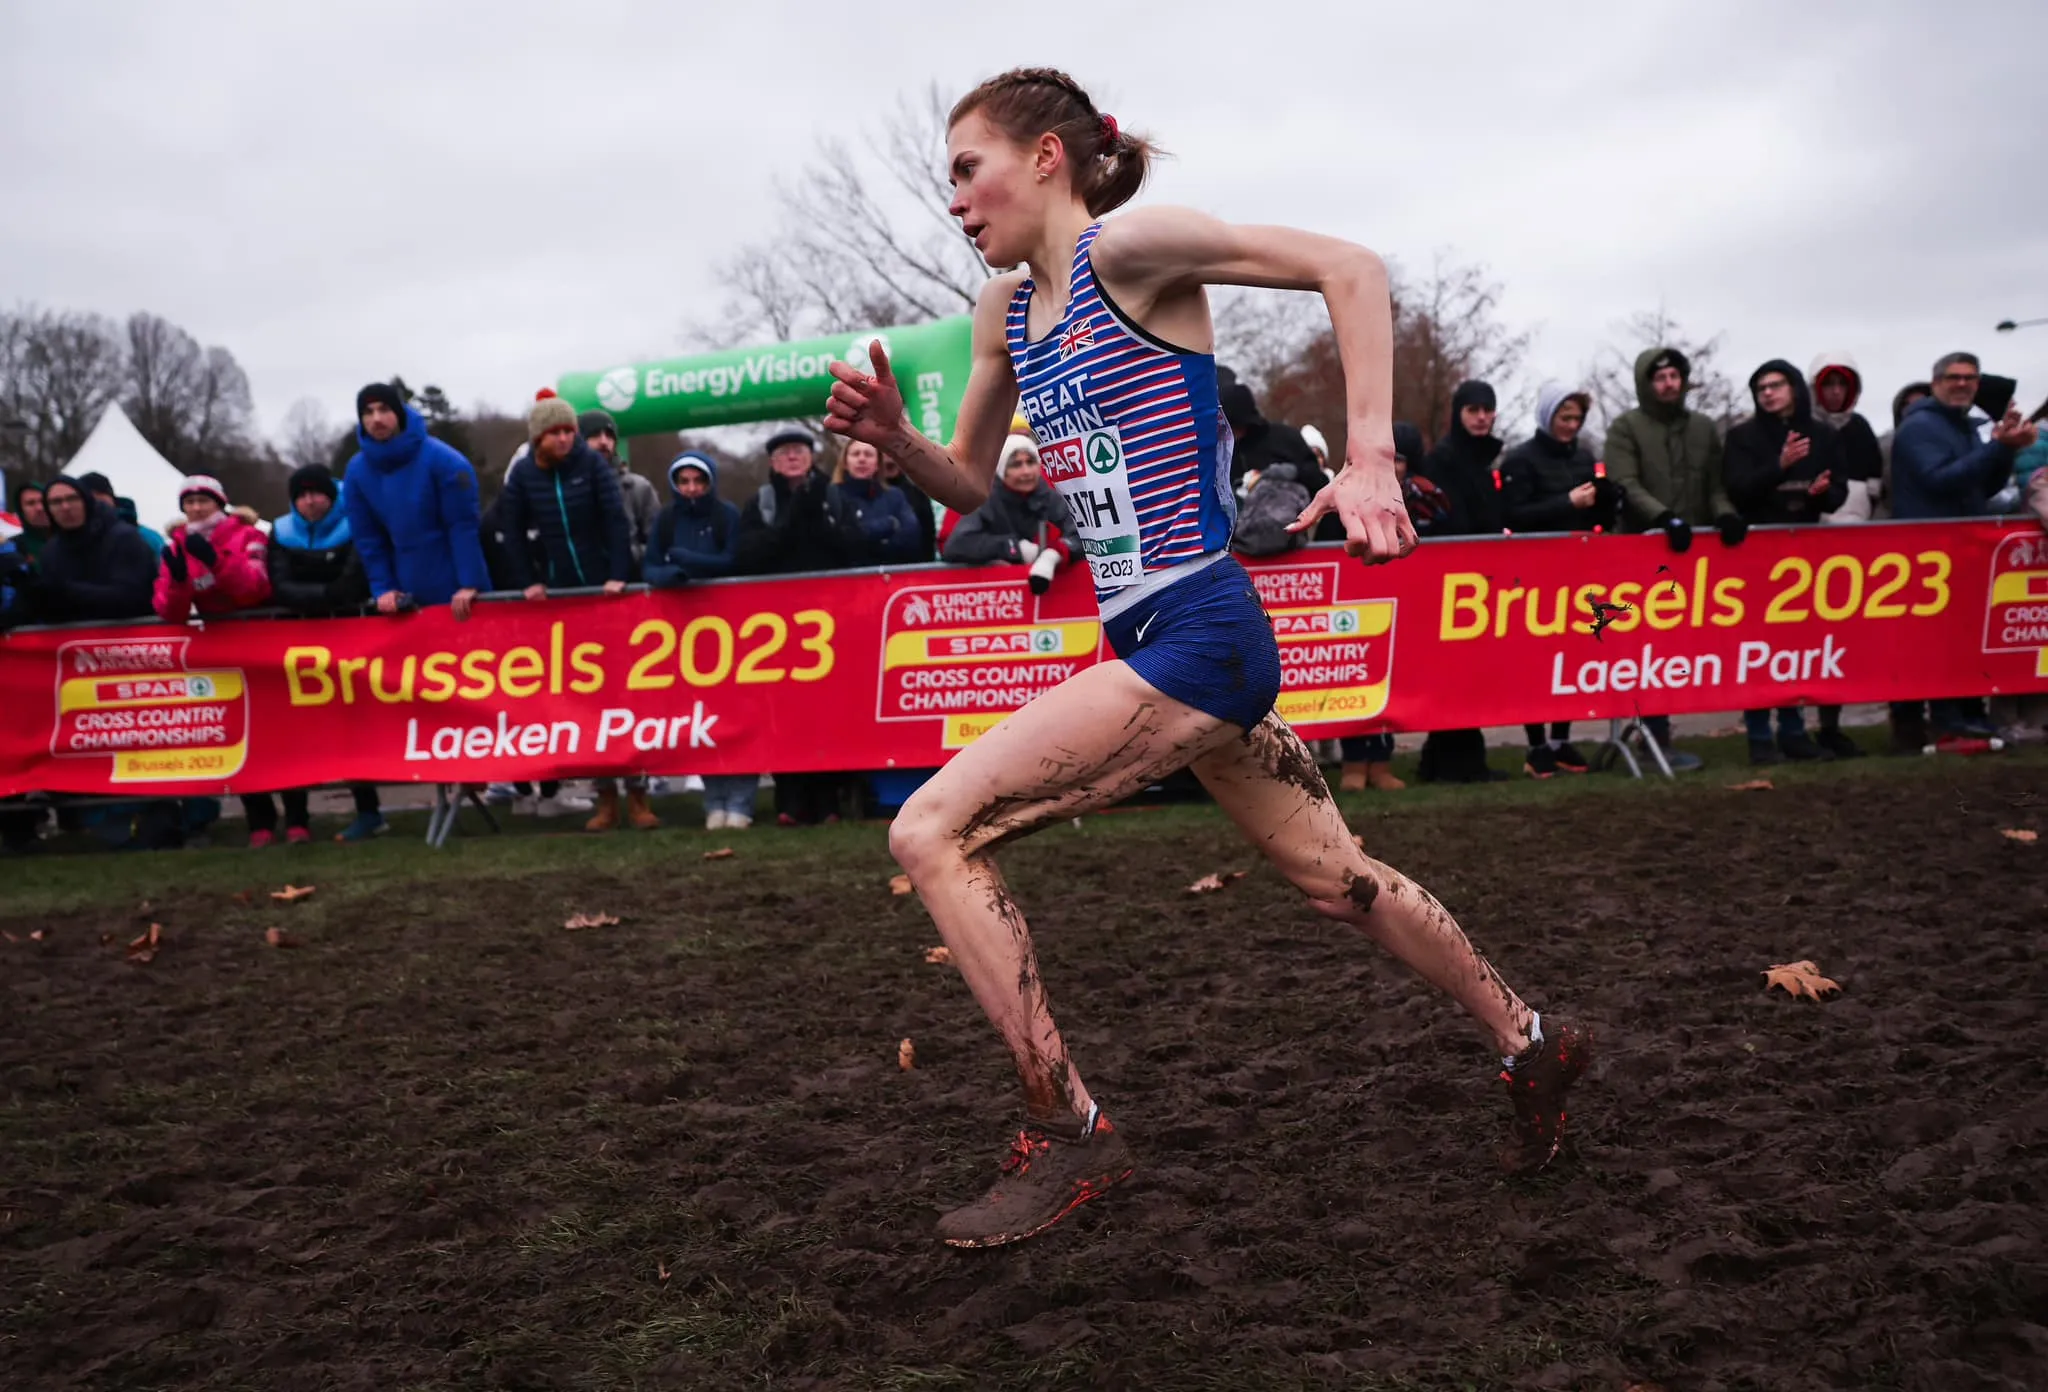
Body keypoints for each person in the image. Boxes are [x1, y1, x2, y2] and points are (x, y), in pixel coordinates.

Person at [824, 67, 1586, 1248]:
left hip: (1201, 634)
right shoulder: (997, 317)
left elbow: (1354, 269)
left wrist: (1371, 453)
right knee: (1339, 881)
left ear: (1044, 158)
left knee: (927, 831)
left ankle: (1067, 1130)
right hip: (1150, 638)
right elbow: (969, 484)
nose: (955, 204)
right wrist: (898, 441)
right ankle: (1532, 1040)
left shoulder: (1132, 254)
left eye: (965, 172)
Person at [1891, 352, 2037, 745]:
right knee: (1933, 641)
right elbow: (1940, 481)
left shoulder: (1963, 426)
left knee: (1958, 638)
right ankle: (1942, 719)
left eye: (1970, 378)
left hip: (1960, 547)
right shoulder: (1920, 427)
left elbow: (1981, 486)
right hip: (1928, 552)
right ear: (1936, 382)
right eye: (1954, 377)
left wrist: (2005, 449)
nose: (1962, 384)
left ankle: (1959, 715)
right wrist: (1996, 447)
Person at [1723, 361, 1848, 763]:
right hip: (1757, 554)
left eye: (1775, 385)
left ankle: (1794, 733)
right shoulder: (1742, 436)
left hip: (1805, 553)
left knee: (1795, 647)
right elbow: (1737, 491)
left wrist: (1822, 493)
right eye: (1760, 387)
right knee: (1758, 650)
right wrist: (1779, 467)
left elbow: (1839, 492)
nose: (1768, 393)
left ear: (1794, 387)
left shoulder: (1823, 433)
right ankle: (1759, 738)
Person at [264, 463, 387, 843]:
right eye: (301, 494)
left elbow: (353, 581)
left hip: (350, 640)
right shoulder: (281, 532)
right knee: (297, 731)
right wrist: (324, 597)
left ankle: (369, 812)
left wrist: (317, 599)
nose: (310, 501)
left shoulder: (355, 524)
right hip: (297, 649)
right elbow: (279, 583)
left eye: (317, 493)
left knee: (354, 728)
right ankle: (298, 819)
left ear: (331, 496)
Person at [1499, 384, 1612, 778]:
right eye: (1564, 418)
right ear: (1548, 417)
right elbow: (1514, 514)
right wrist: (1567, 502)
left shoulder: (1584, 456)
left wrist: (1607, 501)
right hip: (1533, 573)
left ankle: (1562, 738)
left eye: (1577, 419)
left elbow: (1592, 514)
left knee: (1572, 651)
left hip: (1577, 573)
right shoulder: (1520, 459)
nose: (1571, 425)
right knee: (1535, 657)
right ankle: (1537, 744)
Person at [1411, 381, 1510, 784]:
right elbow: (1445, 520)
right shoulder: (1445, 460)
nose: (1483, 417)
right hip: (1452, 580)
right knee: (1456, 673)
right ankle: (1455, 763)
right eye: (1474, 410)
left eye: (1488, 409)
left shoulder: (1482, 460)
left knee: (1468, 672)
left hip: (1476, 579)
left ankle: (1445, 762)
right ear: (1459, 414)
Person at [342, 382, 491, 620]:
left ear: (399, 413)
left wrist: (470, 582)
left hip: (455, 590)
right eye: (368, 413)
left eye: (384, 409)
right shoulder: (356, 472)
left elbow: (462, 526)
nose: (376, 419)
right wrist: (384, 588)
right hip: (403, 598)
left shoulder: (446, 462)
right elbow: (368, 539)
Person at [499, 390, 634, 599]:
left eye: (568, 431)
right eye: (555, 432)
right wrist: (528, 581)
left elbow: (615, 519)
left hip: (604, 579)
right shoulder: (523, 473)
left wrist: (618, 573)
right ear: (539, 437)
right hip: (557, 585)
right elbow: (513, 530)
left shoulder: (592, 463)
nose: (563, 439)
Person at [2, 476, 157, 624]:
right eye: (56, 502)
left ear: (86, 501)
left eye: (72, 498)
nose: (65, 507)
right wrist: (27, 591)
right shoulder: (51, 550)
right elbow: (52, 612)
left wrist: (66, 590)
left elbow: (133, 597)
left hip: (129, 641)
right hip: (72, 644)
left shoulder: (124, 538)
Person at [940, 433, 1070, 588]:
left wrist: (1055, 554)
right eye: (1016, 465)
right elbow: (957, 545)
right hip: (994, 595)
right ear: (1001, 470)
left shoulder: (1047, 495)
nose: (1026, 471)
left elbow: (1082, 535)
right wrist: (1013, 547)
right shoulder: (985, 497)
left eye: (1031, 462)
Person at [153, 475, 272, 624]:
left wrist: (216, 562)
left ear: (219, 504)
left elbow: (255, 592)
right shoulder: (177, 547)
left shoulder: (250, 535)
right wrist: (178, 583)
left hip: (257, 631)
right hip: (211, 636)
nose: (196, 508)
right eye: (189, 502)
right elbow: (171, 614)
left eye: (203, 500)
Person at [1807, 354, 1884, 524]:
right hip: (1812, 524)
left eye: (1843, 384)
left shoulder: (1860, 426)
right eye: (1828, 384)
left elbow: (1875, 474)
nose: (1836, 392)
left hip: (1857, 519)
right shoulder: (1803, 427)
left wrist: (1867, 501)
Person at [579, 409, 660, 571]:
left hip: (631, 585)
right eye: (595, 435)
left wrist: (623, 556)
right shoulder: (564, 488)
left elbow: (658, 544)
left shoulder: (639, 488)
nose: (604, 442)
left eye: (609, 436)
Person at [833, 439, 928, 565]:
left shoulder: (895, 495)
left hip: (892, 573)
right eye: (856, 454)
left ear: (878, 463)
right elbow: (842, 541)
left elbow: (911, 537)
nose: (862, 459)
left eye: (868, 454)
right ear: (845, 462)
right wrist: (890, 523)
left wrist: (866, 538)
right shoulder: (833, 495)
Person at [77, 470, 168, 556]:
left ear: (111, 497)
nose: (95, 500)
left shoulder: (146, 537)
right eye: (88, 496)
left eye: (99, 494)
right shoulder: (72, 539)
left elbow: (164, 569)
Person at [12, 482, 51, 559]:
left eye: (43, 501)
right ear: (21, 511)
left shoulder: (70, 539)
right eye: (30, 503)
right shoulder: (14, 548)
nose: (40, 508)